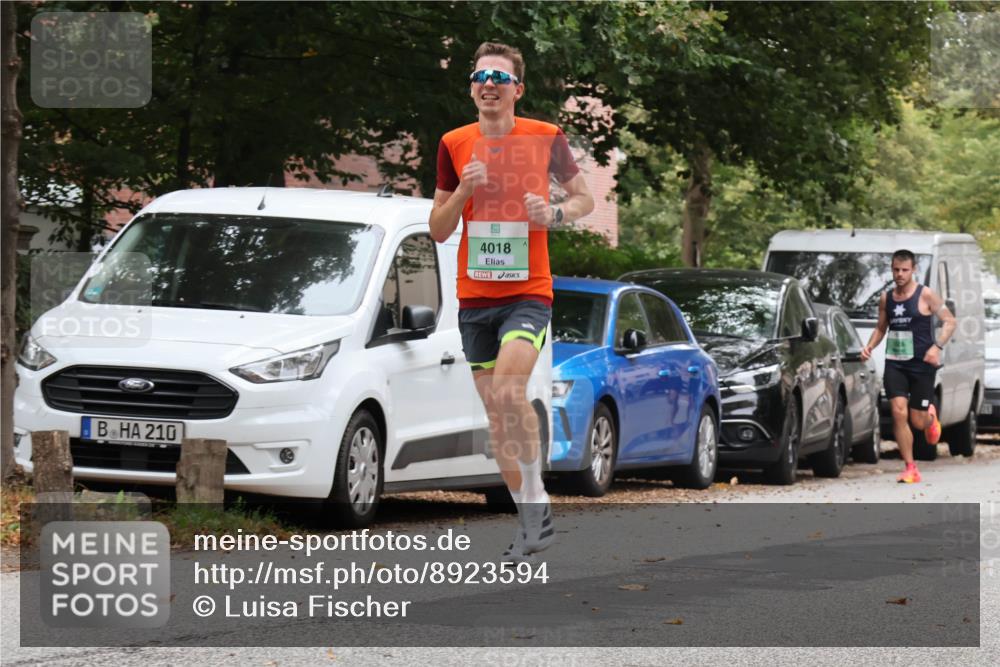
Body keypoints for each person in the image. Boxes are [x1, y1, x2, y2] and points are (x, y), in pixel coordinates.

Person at [429, 41, 594, 559]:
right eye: (481, 77)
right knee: (496, 416)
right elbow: (438, 229)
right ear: (471, 88)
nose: (489, 85)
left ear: (517, 89)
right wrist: (463, 191)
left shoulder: (546, 136)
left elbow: (585, 198)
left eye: (499, 78)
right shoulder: (453, 143)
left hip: (528, 291)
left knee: (507, 390)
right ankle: (531, 516)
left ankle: (537, 494)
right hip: (475, 298)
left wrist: (555, 214)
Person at [861, 249, 956, 483]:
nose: (900, 274)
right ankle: (910, 467)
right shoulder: (887, 298)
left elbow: (950, 321)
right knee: (897, 412)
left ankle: (930, 419)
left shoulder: (926, 295)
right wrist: (869, 346)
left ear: (913, 270)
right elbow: (881, 328)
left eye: (904, 270)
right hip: (896, 364)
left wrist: (937, 347)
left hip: (922, 365)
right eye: (896, 270)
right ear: (891, 269)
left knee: (917, 421)